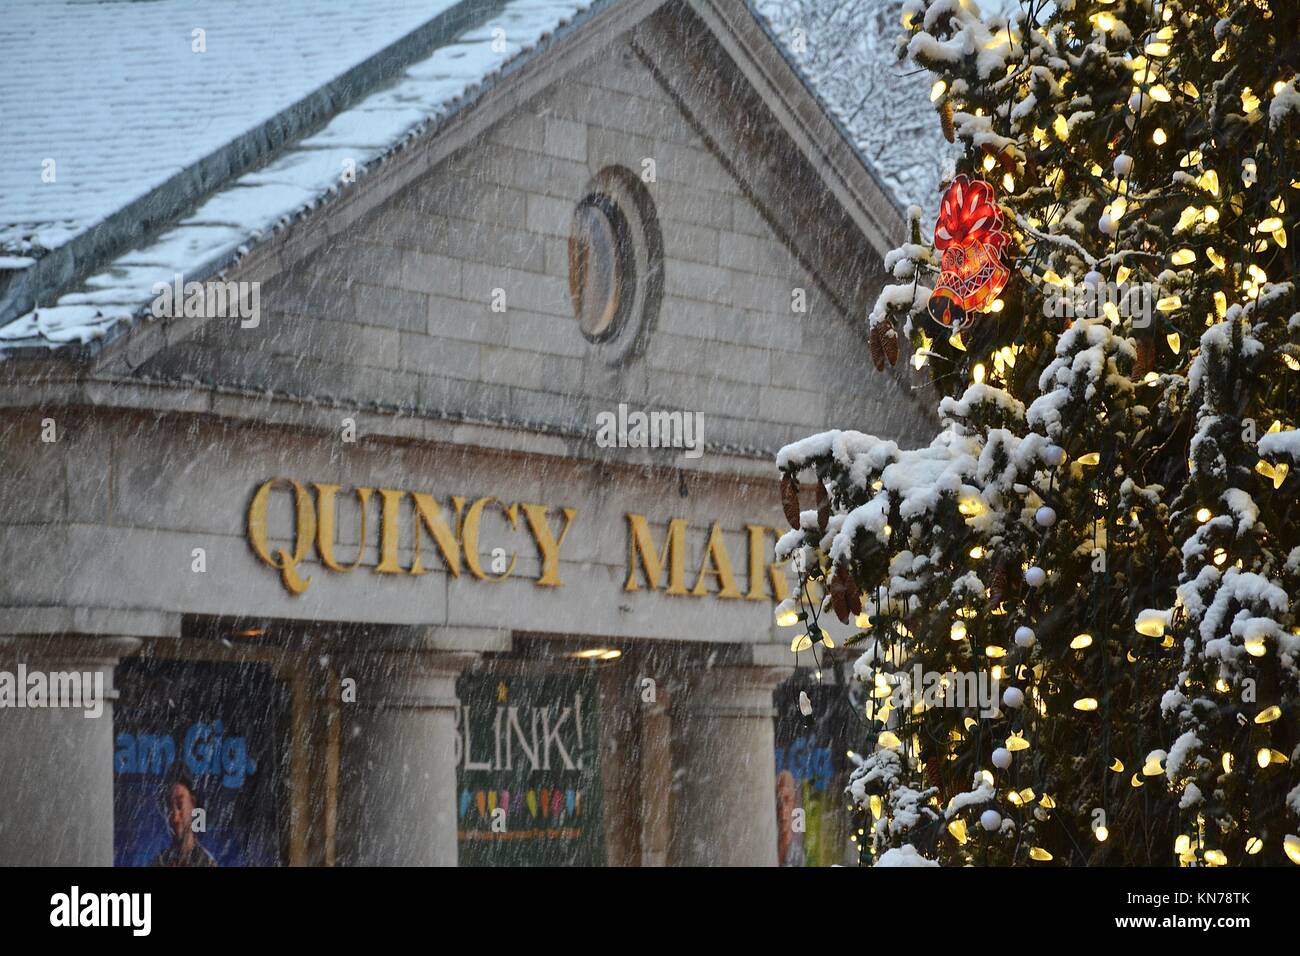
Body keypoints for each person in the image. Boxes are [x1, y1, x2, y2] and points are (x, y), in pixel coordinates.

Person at [151, 766, 218, 867]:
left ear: (192, 803)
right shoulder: (158, 863)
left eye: (180, 804)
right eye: (169, 806)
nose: (175, 817)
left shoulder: (207, 864)